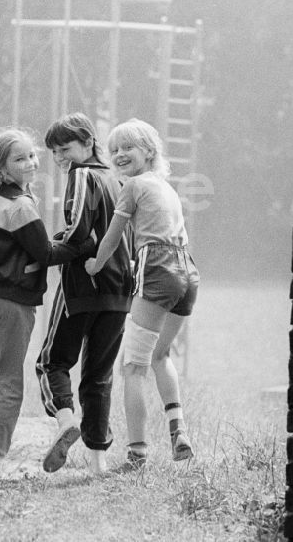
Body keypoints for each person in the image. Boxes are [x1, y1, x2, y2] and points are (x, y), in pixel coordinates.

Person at [0, 128, 94, 483]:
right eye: (20, 158)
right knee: (9, 383)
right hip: (13, 303)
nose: (30, 163)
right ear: (1, 166)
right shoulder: (21, 205)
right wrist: (83, 242)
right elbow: (44, 254)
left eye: (32, 156)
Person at [85, 118, 199, 467]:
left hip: (158, 270)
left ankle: (137, 453)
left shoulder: (132, 187)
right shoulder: (167, 187)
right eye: (114, 149)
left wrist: (94, 264)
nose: (119, 155)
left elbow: (113, 236)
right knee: (160, 355)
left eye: (127, 148)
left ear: (149, 151)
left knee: (132, 367)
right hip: (188, 273)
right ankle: (178, 428)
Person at [35, 112, 134, 475]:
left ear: (89, 142)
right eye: (55, 153)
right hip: (121, 289)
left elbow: (78, 230)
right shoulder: (118, 179)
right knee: (98, 375)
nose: (61, 159)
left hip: (84, 285)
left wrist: (45, 251)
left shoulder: (83, 174)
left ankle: (65, 422)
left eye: (66, 149)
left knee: (51, 361)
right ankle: (98, 463)